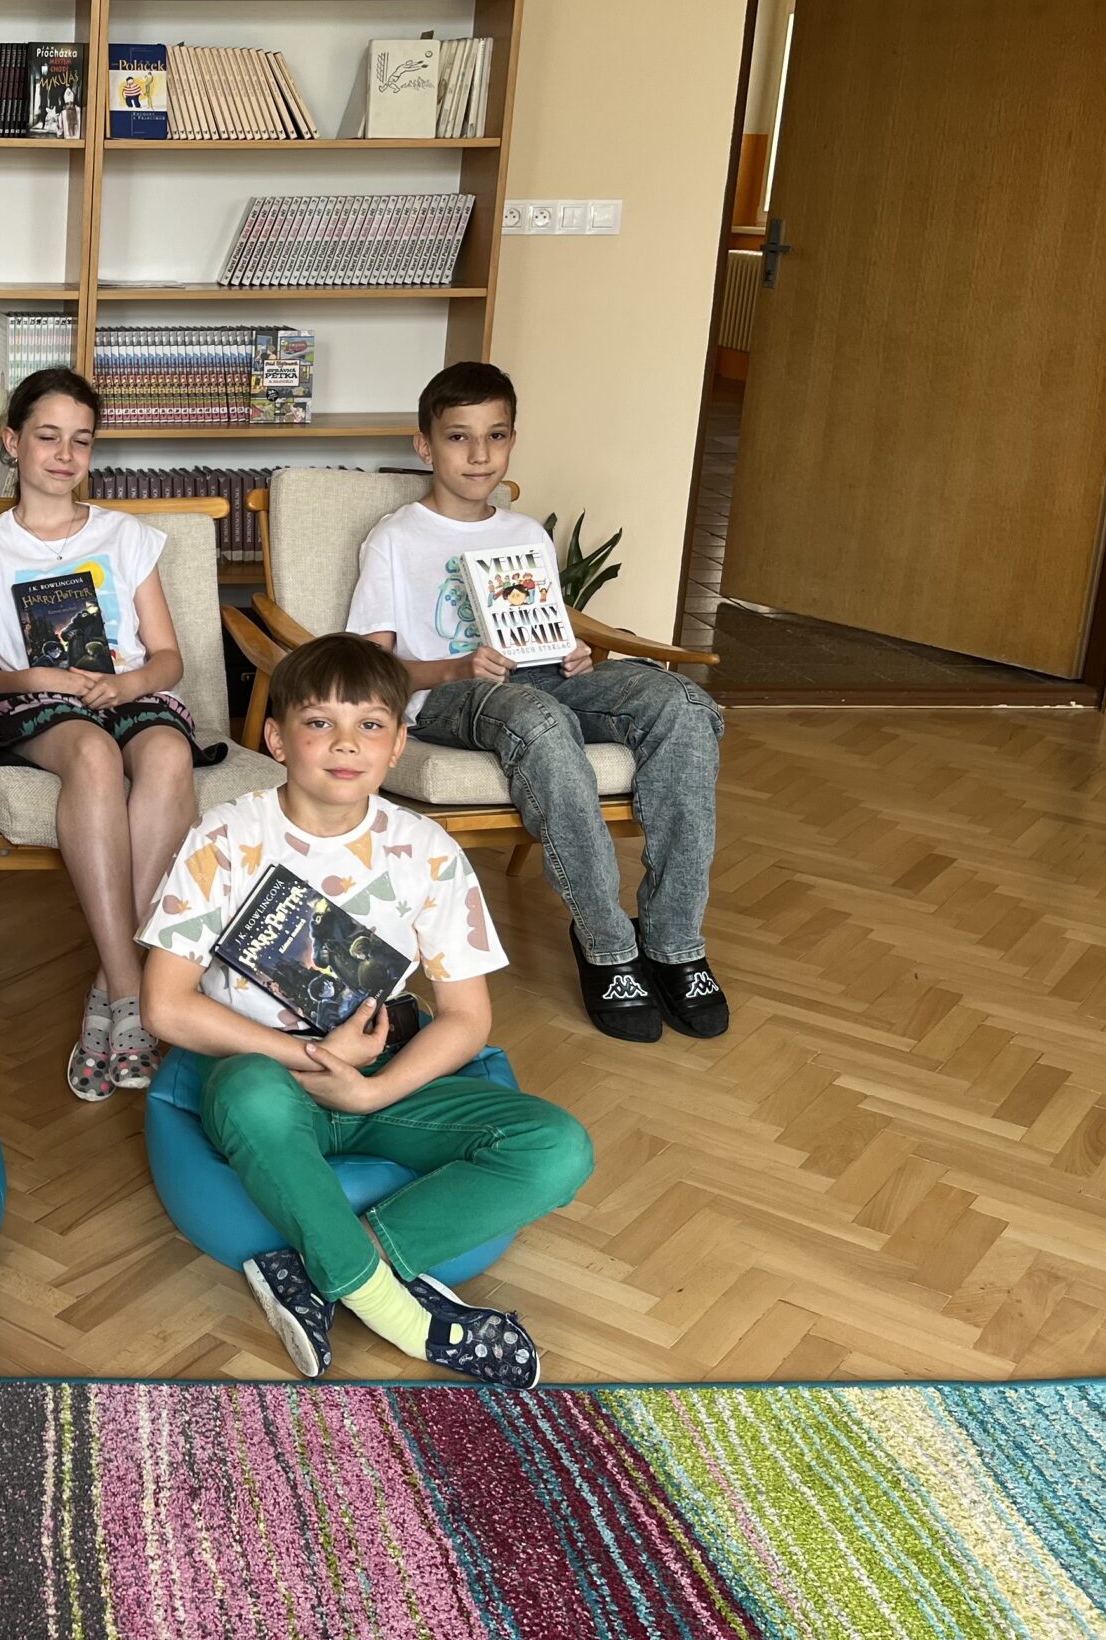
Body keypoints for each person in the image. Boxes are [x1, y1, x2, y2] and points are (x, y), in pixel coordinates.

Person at [140, 634, 594, 1387]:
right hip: (268, 1076)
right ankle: (411, 1321)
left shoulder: (428, 851)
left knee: (559, 1148)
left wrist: (371, 1090)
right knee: (248, 1091)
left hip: (386, 1082)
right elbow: (164, 1006)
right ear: (277, 739)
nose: (345, 744)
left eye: (371, 725)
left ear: (398, 744)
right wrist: (314, 1059)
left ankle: (325, 1269)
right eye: (320, 723)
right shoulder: (226, 837)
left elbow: (467, 1019)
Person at [346, 361, 731, 1042]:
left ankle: (674, 941)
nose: (479, 454)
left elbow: (542, 627)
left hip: (546, 679)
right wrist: (457, 665)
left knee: (683, 704)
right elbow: (366, 671)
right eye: (459, 437)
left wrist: (574, 652)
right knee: (540, 718)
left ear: (512, 441)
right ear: (425, 446)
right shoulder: (396, 540)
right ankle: (607, 945)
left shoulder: (525, 535)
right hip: (449, 697)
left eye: (495, 436)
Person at [0, 366, 209, 1103]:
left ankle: (108, 988)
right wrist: (39, 676)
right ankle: (134, 992)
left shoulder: (126, 537)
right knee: (92, 753)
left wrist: (129, 683)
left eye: (81, 440)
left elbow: (169, 657)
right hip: (38, 702)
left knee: (166, 752)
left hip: (126, 692)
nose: (64, 455)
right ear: (12, 442)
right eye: (48, 436)